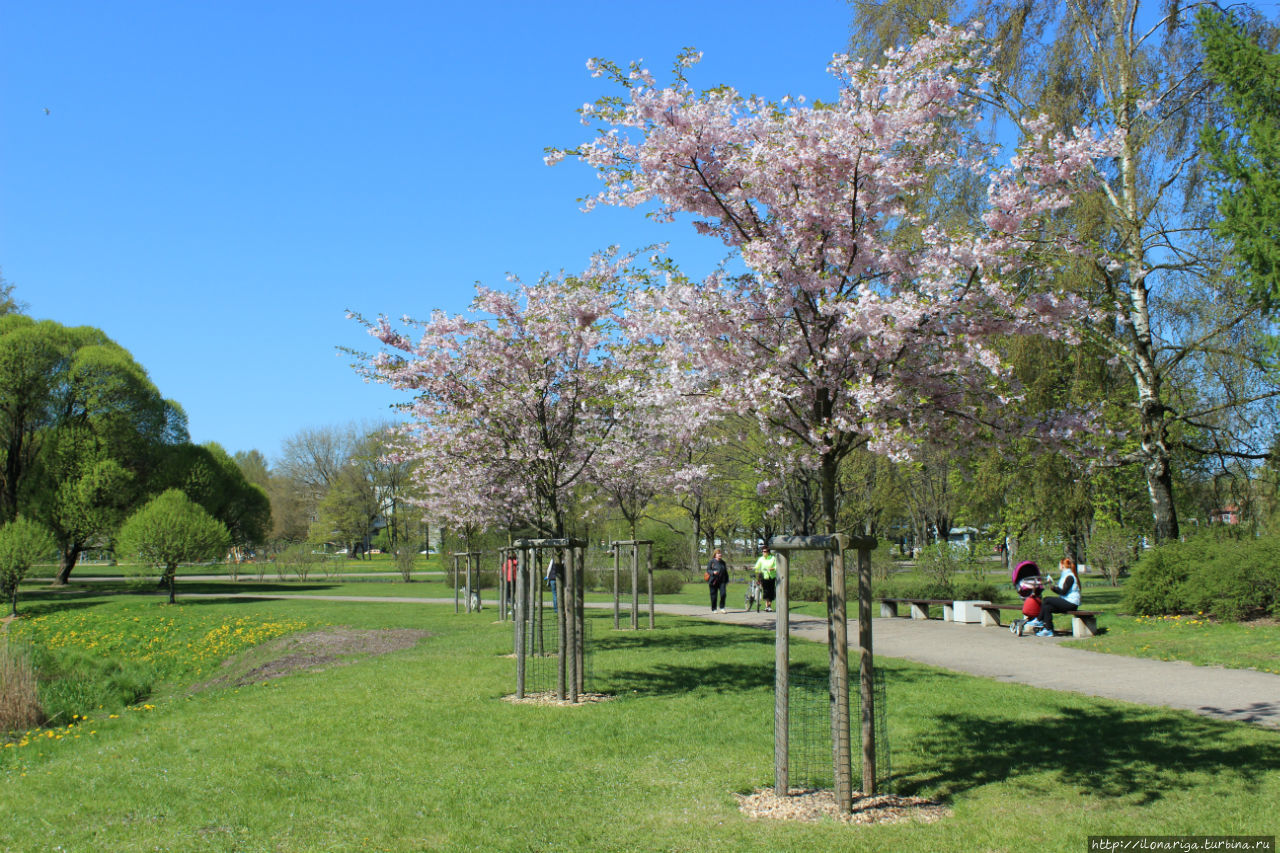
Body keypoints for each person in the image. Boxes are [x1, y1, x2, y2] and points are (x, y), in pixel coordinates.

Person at [1037, 557, 1082, 637]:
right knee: (1047, 607)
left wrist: (1053, 588)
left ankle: (1038, 620)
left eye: (1059, 564)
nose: (1059, 566)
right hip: (1066, 601)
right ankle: (1048, 629)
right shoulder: (1065, 576)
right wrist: (1053, 587)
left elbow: (1063, 592)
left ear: (1063, 565)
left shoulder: (1070, 577)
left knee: (1046, 599)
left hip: (1071, 603)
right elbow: (1062, 591)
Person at [753, 545, 779, 613]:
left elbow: (776, 566)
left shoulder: (773, 558)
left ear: (768, 552)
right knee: (766, 591)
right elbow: (757, 566)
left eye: (765, 551)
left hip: (771, 576)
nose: (763, 553)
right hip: (764, 576)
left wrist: (771, 569)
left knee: (771, 591)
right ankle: (767, 606)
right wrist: (752, 568)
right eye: (762, 551)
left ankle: (769, 606)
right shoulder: (761, 559)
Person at [706, 548, 729, 613]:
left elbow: (725, 571)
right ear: (715, 554)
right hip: (713, 581)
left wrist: (727, 580)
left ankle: (722, 607)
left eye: (720, 553)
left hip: (722, 581)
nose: (720, 554)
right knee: (714, 596)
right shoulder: (712, 562)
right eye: (718, 553)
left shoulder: (723, 562)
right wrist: (713, 572)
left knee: (723, 594)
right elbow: (708, 570)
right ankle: (714, 609)